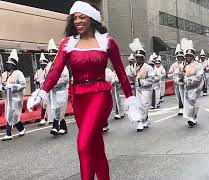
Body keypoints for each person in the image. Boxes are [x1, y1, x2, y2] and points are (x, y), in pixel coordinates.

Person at [28, 1, 133, 179]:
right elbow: (56, 70)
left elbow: (121, 73)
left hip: (100, 95)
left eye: (82, 17)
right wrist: (42, 92)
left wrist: (131, 100)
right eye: (75, 18)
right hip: (79, 97)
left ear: (92, 19)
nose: (78, 21)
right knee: (95, 145)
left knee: (83, 143)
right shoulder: (68, 43)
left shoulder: (107, 42)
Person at [45, 39, 70, 136]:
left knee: (60, 108)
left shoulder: (62, 65)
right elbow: (46, 78)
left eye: (53, 56)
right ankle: (58, 127)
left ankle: (58, 126)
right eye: (50, 56)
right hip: (53, 92)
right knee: (55, 109)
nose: (51, 57)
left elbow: (65, 78)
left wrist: (54, 83)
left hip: (61, 91)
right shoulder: (48, 66)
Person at [129, 38, 154, 132]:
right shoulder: (132, 67)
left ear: (143, 58)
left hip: (146, 90)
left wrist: (140, 82)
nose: (138, 59)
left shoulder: (148, 68)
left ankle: (142, 120)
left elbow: (151, 80)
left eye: (140, 57)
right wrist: (131, 81)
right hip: (137, 89)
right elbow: (130, 76)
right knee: (138, 105)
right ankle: (143, 121)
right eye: (137, 57)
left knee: (144, 105)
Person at [1, 49, 26, 141]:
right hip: (8, 98)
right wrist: (3, 87)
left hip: (16, 98)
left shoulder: (19, 74)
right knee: (12, 116)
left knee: (11, 114)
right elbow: (1, 85)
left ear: (14, 65)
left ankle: (8, 134)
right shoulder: (4, 74)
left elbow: (23, 85)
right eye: (8, 64)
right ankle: (22, 129)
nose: (9, 65)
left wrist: (11, 86)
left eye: (11, 64)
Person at [180, 38, 203, 127]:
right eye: (187, 56)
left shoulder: (198, 65)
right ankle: (192, 117)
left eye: (190, 56)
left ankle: (192, 118)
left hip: (196, 87)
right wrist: (180, 79)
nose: (188, 57)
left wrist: (187, 80)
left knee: (192, 100)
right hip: (186, 88)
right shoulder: (183, 65)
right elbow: (178, 75)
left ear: (193, 56)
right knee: (188, 102)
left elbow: (199, 77)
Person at [168, 44, 185, 116]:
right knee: (178, 96)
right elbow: (168, 75)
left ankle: (183, 108)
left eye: (181, 56)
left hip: (184, 83)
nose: (179, 58)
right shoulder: (174, 65)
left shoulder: (185, 64)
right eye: (178, 57)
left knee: (184, 96)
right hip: (176, 83)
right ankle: (181, 107)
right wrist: (174, 74)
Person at [34, 52, 49, 126]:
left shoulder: (48, 69)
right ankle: (42, 118)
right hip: (42, 90)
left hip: (49, 89)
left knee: (48, 104)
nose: (42, 65)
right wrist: (37, 81)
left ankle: (50, 118)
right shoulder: (38, 72)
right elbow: (35, 80)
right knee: (43, 104)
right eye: (41, 64)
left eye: (44, 64)